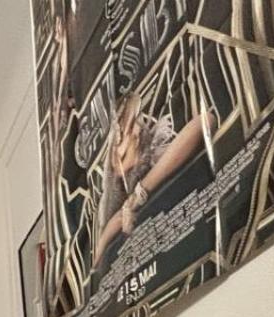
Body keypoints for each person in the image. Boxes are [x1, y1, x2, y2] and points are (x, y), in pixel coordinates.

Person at [92, 91, 216, 263]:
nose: (130, 134)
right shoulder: (116, 200)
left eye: (131, 128)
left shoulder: (155, 156)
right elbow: (115, 221)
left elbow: (205, 121)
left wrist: (140, 192)